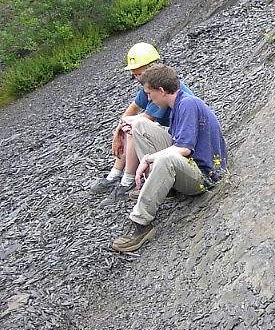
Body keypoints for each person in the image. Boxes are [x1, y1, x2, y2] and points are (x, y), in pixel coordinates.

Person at [111, 63, 227, 253]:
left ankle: (141, 224)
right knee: (139, 125)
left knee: (165, 159)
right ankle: (161, 187)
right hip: (188, 164)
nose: (149, 98)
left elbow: (183, 149)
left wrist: (148, 159)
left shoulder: (188, 103)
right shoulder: (177, 103)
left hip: (204, 175)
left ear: (162, 91)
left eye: (150, 94)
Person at [91, 43, 193, 205]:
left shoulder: (160, 89)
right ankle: (115, 175)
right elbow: (132, 109)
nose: (137, 78)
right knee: (127, 127)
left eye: (139, 73)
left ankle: (127, 181)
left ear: (152, 67)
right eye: (135, 75)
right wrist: (117, 133)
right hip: (170, 134)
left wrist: (123, 131)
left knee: (134, 128)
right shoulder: (148, 86)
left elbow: (143, 119)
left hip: (180, 141)